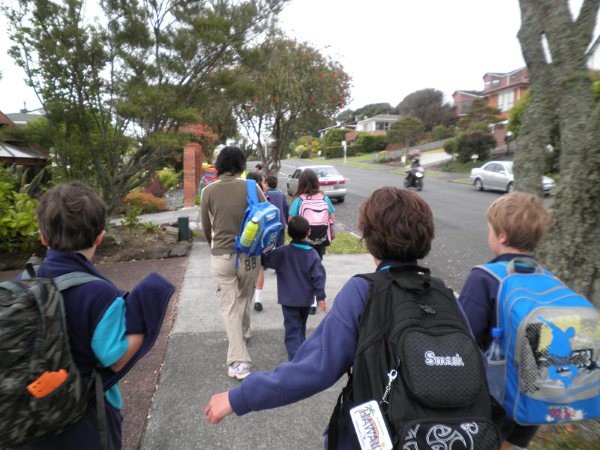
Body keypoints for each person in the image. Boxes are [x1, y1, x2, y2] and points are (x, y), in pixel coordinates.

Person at [204, 187, 442, 449]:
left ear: (369, 238)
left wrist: (241, 398)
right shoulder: (444, 294)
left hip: (385, 432)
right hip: (448, 433)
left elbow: (317, 367)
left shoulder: (364, 291)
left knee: (295, 332)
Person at [20, 181, 173, 450]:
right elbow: (115, 358)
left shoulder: (24, 282)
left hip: (28, 416)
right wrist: (146, 312)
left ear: (43, 237)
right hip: (84, 422)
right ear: (100, 237)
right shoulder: (97, 294)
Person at [457, 191, 550, 450]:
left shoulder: (485, 278)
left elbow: (463, 340)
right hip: (533, 400)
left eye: (489, 229)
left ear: (502, 236)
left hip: (493, 400)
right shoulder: (547, 279)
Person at [200, 146, 267, 380]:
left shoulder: (208, 191)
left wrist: (214, 246)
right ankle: (244, 332)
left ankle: (238, 362)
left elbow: (206, 228)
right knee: (243, 297)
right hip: (249, 256)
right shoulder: (252, 186)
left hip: (222, 256)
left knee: (229, 307)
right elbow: (265, 217)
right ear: (241, 166)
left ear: (218, 166)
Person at [261, 215, 326, 360]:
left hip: (288, 300)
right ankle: (301, 352)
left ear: (289, 232)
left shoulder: (282, 252)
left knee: (292, 330)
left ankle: (295, 360)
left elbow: (266, 259)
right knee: (301, 326)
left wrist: (262, 248)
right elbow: (318, 276)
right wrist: (320, 296)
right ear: (308, 232)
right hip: (305, 299)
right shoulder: (313, 255)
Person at [288, 169, 335, 314]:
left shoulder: (299, 200)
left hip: (304, 241)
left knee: (304, 271)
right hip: (320, 240)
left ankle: (305, 299)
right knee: (316, 268)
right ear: (316, 182)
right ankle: (315, 301)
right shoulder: (324, 198)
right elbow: (332, 219)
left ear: (301, 183)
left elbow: (291, 220)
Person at [252, 175, 289, 312]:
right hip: (281, 223)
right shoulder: (281, 194)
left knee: (268, 245)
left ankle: (266, 262)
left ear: (267, 184)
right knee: (280, 245)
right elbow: (285, 208)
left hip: (269, 225)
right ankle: (279, 266)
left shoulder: (265, 195)